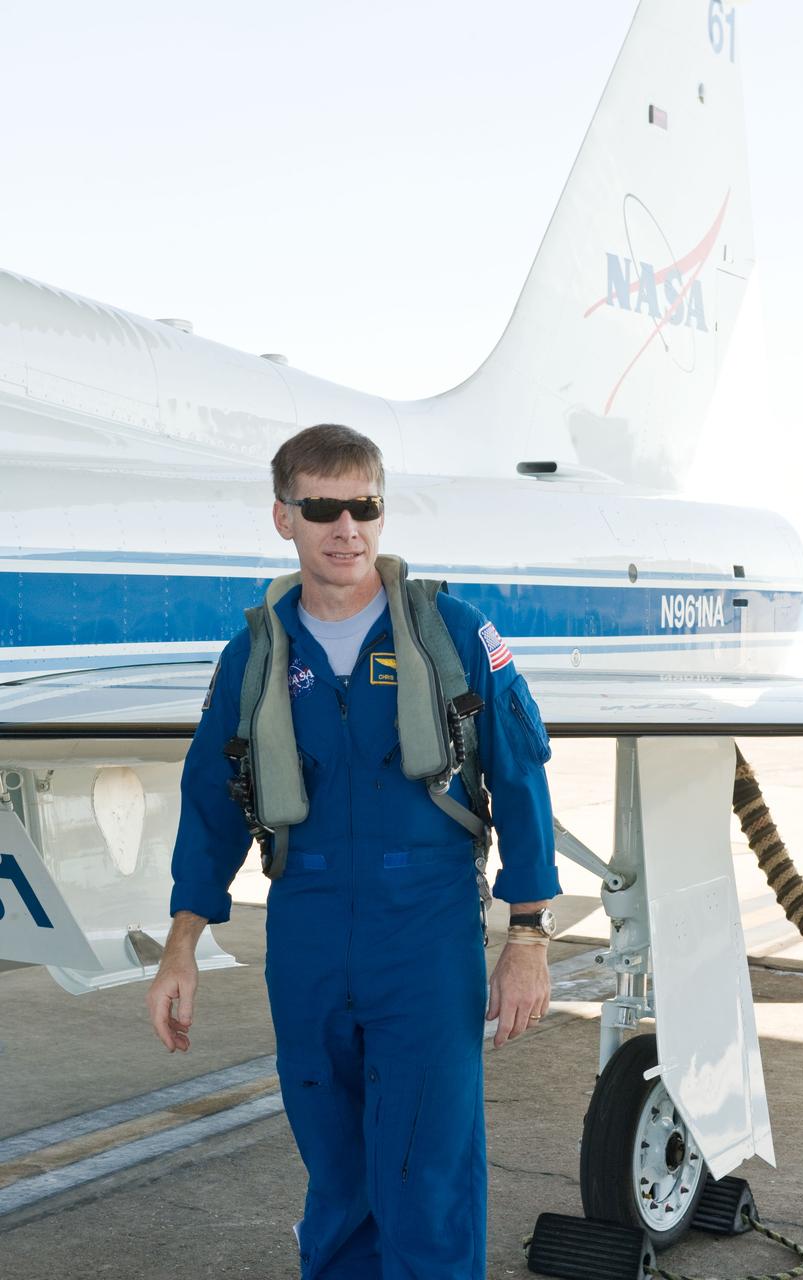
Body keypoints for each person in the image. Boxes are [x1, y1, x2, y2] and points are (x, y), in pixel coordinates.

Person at [146, 423, 561, 1280]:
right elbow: (209, 807)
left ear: (380, 511)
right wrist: (181, 943)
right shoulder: (255, 655)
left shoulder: (448, 631)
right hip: (305, 925)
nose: (346, 528)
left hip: (425, 927)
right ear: (283, 517)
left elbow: (521, 781)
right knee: (334, 1168)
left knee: (427, 1167)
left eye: (363, 506)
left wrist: (527, 938)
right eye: (323, 508)